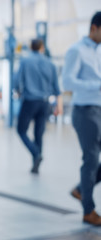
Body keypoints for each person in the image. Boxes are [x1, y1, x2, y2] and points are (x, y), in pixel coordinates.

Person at [63, 11, 101, 226]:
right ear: (94, 28)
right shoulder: (76, 51)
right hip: (85, 112)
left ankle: (80, 189)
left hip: (99, 109)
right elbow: (67, 82)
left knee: (93, 161)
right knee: (91, 160)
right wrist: (97, 85)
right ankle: (89, 210)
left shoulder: (98, 51)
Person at [14, 38, 62, 174]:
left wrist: (18, 91)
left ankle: (36, 154)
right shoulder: (51, 64)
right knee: (39, 134)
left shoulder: (25, 61)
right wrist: (59, 106)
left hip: (29, 101)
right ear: (42, 48)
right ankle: (36, 164)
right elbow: (57, 88)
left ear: (31, 47)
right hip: (45, 103)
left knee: (21, 130)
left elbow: (17, 81)